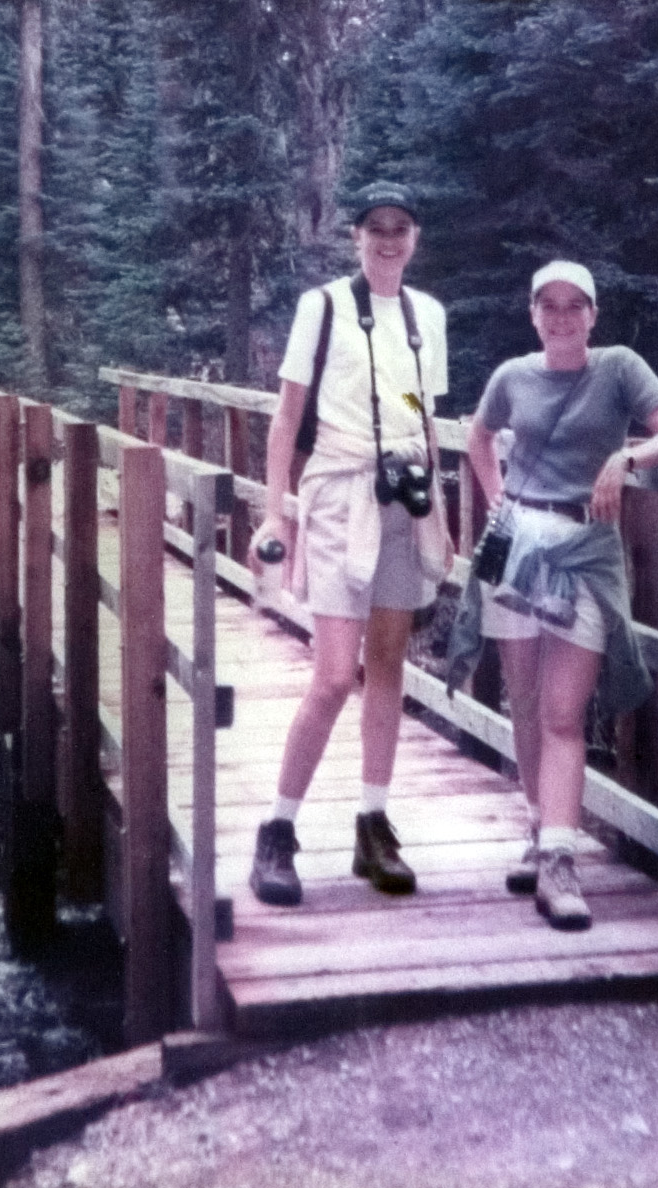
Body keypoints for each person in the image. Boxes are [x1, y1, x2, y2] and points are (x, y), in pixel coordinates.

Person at [449, 261, 658, 930]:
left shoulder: (618, 366)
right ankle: (540, 831)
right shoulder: (511, 375)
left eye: (574, 305)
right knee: (526, 703)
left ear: (593, 313)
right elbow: (477, 436)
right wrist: (497, 496)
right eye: (548, 305)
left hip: (584, 545)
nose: (561, 316)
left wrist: (626, 459)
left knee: (564, 711)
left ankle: (561, 861)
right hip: (515, 540)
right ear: (533, 313)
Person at [247, 181, 451, 906]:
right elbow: (284, 421)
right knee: (335, 674)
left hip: (404, 501)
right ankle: (277, 831)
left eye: (400, 227)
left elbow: (421, 414)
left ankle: (373, 823)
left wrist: (439, 508)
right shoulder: (324, 307)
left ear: (415, 237)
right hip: (338, 496)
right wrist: (277, 515)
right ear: (356, 238)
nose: (388, 240)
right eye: (375, 229)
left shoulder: (428, 315)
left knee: (389, 662)